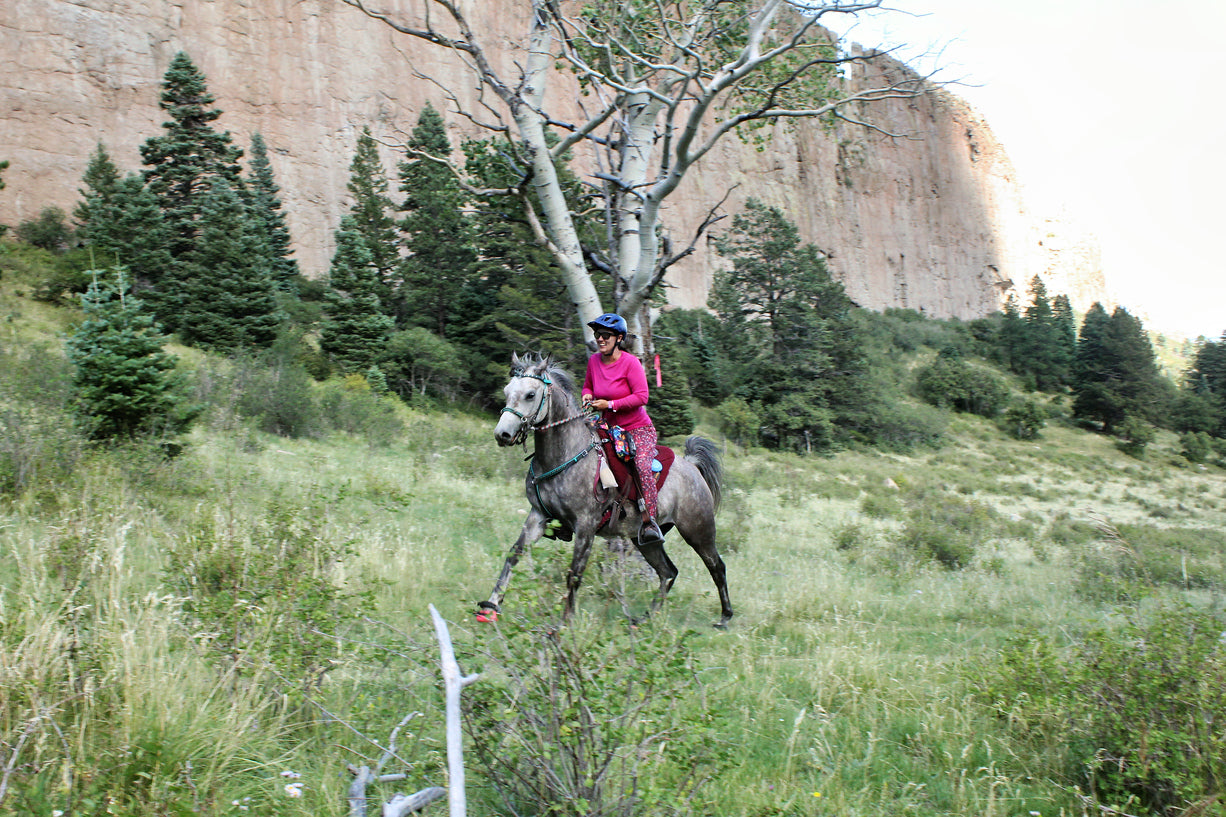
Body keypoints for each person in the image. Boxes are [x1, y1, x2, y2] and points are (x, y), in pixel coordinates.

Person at [580, 313, 666, 547]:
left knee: (640, 464)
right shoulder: (594, 361)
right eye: (597, 334)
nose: (599, 339)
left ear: (619, 338)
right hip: (607, 427)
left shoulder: (631, 362)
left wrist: (609, 405)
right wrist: (587, 394)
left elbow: (642, 396)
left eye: (605, 335)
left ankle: (649, 521)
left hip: (638, 429)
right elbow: (588, 384)